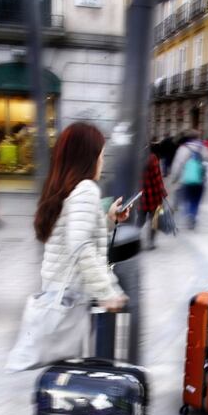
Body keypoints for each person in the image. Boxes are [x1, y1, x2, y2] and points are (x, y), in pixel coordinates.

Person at [34, 122, 129, 313]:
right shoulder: (86, 189)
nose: (102, 161)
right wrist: (107, 293)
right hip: (70, 296)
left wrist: (110, 219)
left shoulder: (60, 187)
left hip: (56, 290)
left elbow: (72, 231)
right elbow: (80, 244)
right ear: (88, 159)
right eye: (100, 155)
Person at [171, 129, 208, 229]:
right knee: (196, 200)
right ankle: (193, 215)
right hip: (200, 180)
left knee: (186, 199)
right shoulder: (204, 148)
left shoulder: (183, 149)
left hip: (186, 180)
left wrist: (174, 178)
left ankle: (188, 214)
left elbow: (177, 165)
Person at [136, 143, 167, 250]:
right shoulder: (152, 158)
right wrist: (163, 192)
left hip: (140, 195)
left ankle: (133, 238)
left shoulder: (135, 157)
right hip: (153, 194)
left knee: (140, 219)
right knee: (155, 219)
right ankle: (150, 242)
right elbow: (157, 179)